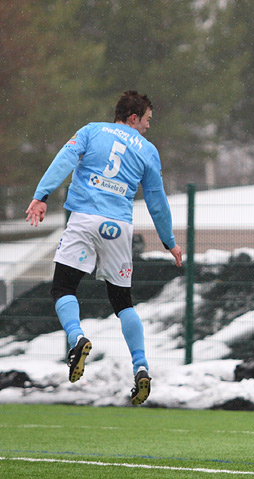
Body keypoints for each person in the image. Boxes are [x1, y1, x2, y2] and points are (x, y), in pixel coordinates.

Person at [25, 91, 182, 406]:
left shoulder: (91, 131)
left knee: (63, 287)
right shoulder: (148, 151)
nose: (149, 127)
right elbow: (156, 200)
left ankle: (77, 337)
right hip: (119, 228)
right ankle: (140, 366)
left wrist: (41, 195)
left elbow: (64, 160)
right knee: (122, 302)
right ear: (133, 117)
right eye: (148, 120)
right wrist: (170, 241)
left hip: (84, 219)